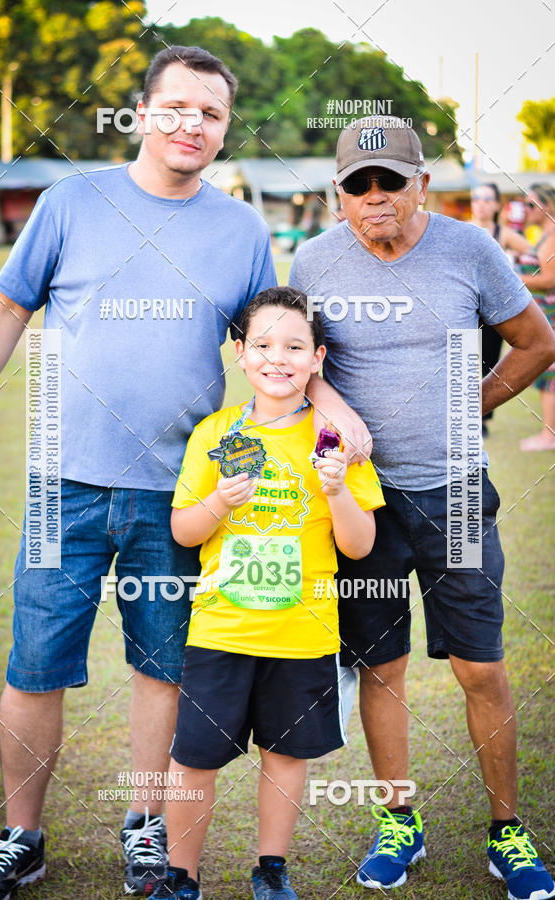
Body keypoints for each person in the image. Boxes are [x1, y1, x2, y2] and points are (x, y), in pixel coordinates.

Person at [0, 45, 371, 900]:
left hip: (176, 493)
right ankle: (19, 836)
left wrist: (336, 408)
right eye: (177, 107)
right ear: (143, 113)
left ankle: (147, 829)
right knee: (35, 665)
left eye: (211, 114)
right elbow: (2, 309)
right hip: (58, 483)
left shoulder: (240, 230)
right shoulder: (73, 202)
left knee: (162, 668)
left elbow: (271, 340)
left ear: (223, 132)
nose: (193, 125)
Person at [290, 116, 555, 900]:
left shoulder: (470, 250)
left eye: (391, 182)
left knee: (480, 665)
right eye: (358, 185)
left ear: (421, 186)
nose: (376, 198)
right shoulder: (312, 260)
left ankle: (508, 831)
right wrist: (333, 409)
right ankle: (399, 823)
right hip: (361, 500)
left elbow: (537, 341)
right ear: (338, 196)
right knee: (382, 667)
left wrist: (474, 403)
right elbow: (294, 363)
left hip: (458, 491)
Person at [146, 287, 384, 900]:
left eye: (294, 347)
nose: (278, 359)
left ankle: (271, 870)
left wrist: (337, 493)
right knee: (195, 757)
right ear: (240, 353)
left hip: (302, 634)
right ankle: (181, 876)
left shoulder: (334, 440)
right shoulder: (216, 433)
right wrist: (219, 502)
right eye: (263, 345)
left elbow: (359, 546)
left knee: (285, 754)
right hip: (221, 630)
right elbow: (183, 529)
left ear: (317, 358)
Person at [470, 182, 531, 436]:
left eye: (487, 198)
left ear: (496, 205)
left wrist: (515, 277)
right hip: (465, 308)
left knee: (488, 363)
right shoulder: (461, 230)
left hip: (494, 312)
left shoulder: (502, 233)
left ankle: (481, 419)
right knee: (460, 362)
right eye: (476, 198)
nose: (481, 203)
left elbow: (535, 254)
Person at [518, 183, 555, 451]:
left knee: (549, 376)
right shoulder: (543, 235)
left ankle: (549, 436)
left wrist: (515, 278)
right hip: (543, 312)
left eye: (531, 205)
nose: (526, 210)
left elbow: (551, 278)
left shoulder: (551, 236)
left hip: (550, 313)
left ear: (548, 206)